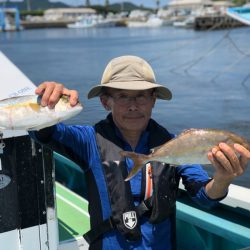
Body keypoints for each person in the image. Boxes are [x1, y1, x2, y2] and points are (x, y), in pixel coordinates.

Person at [30, 55, 250, 250]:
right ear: (106, 102)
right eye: (123, 96)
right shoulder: (88, 140)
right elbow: (42, 132)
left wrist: (222, 178)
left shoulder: (175, 145)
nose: (133, 105)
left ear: (153, 100)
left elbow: (205, 196)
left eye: (142, 96)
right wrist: (45, 106)